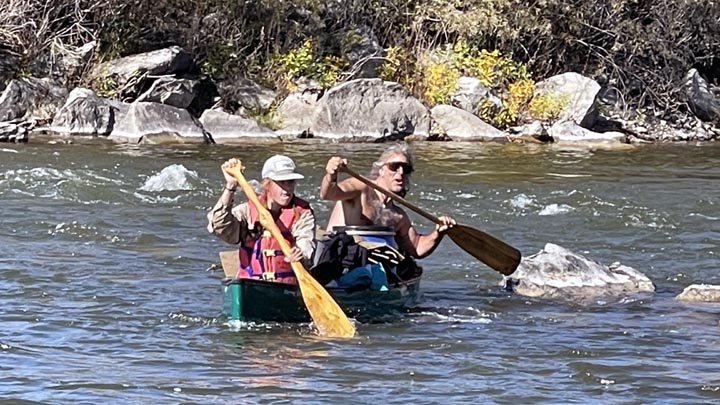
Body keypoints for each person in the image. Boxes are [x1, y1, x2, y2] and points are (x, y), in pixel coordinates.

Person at [319, 143, 455, 260]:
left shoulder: (397, 215)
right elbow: (328, 193)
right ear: (381, 170)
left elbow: (417, 248)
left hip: (372, 270)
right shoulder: (361, 187)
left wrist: (438, 233)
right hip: (338, 260)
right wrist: (331, 175)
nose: (400, 172)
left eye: (405, 168)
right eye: (394, 166)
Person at [207, 155, 316, 284]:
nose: (287, 188)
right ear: (267, 184)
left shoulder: (302, 213)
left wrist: (299, 253)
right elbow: (219, 226)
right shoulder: (248, 211)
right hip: (251, 283)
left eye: (291, 181)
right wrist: (231, 186)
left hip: (287, 285)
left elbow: (306, 242)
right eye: (282, 182)